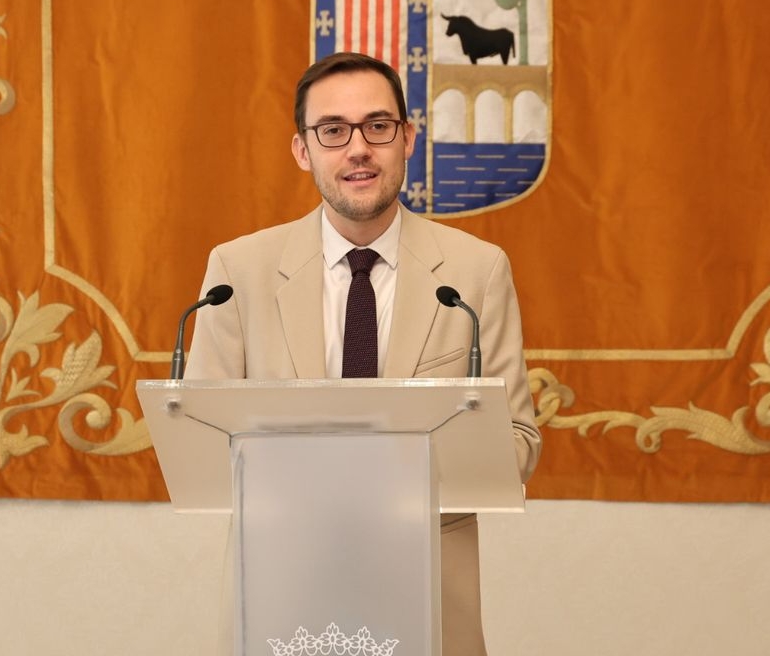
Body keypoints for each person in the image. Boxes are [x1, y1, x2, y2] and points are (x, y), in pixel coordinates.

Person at [185, 51, 541, 655]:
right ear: (303, 150)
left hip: (431, 602)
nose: (358, 149)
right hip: (280, 599)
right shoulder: (237, 271)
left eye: (378, 127)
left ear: (407, 137)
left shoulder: (476, 273)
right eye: (333, 131)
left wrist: (381, 467)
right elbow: (199, 442)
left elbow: (517, 446)